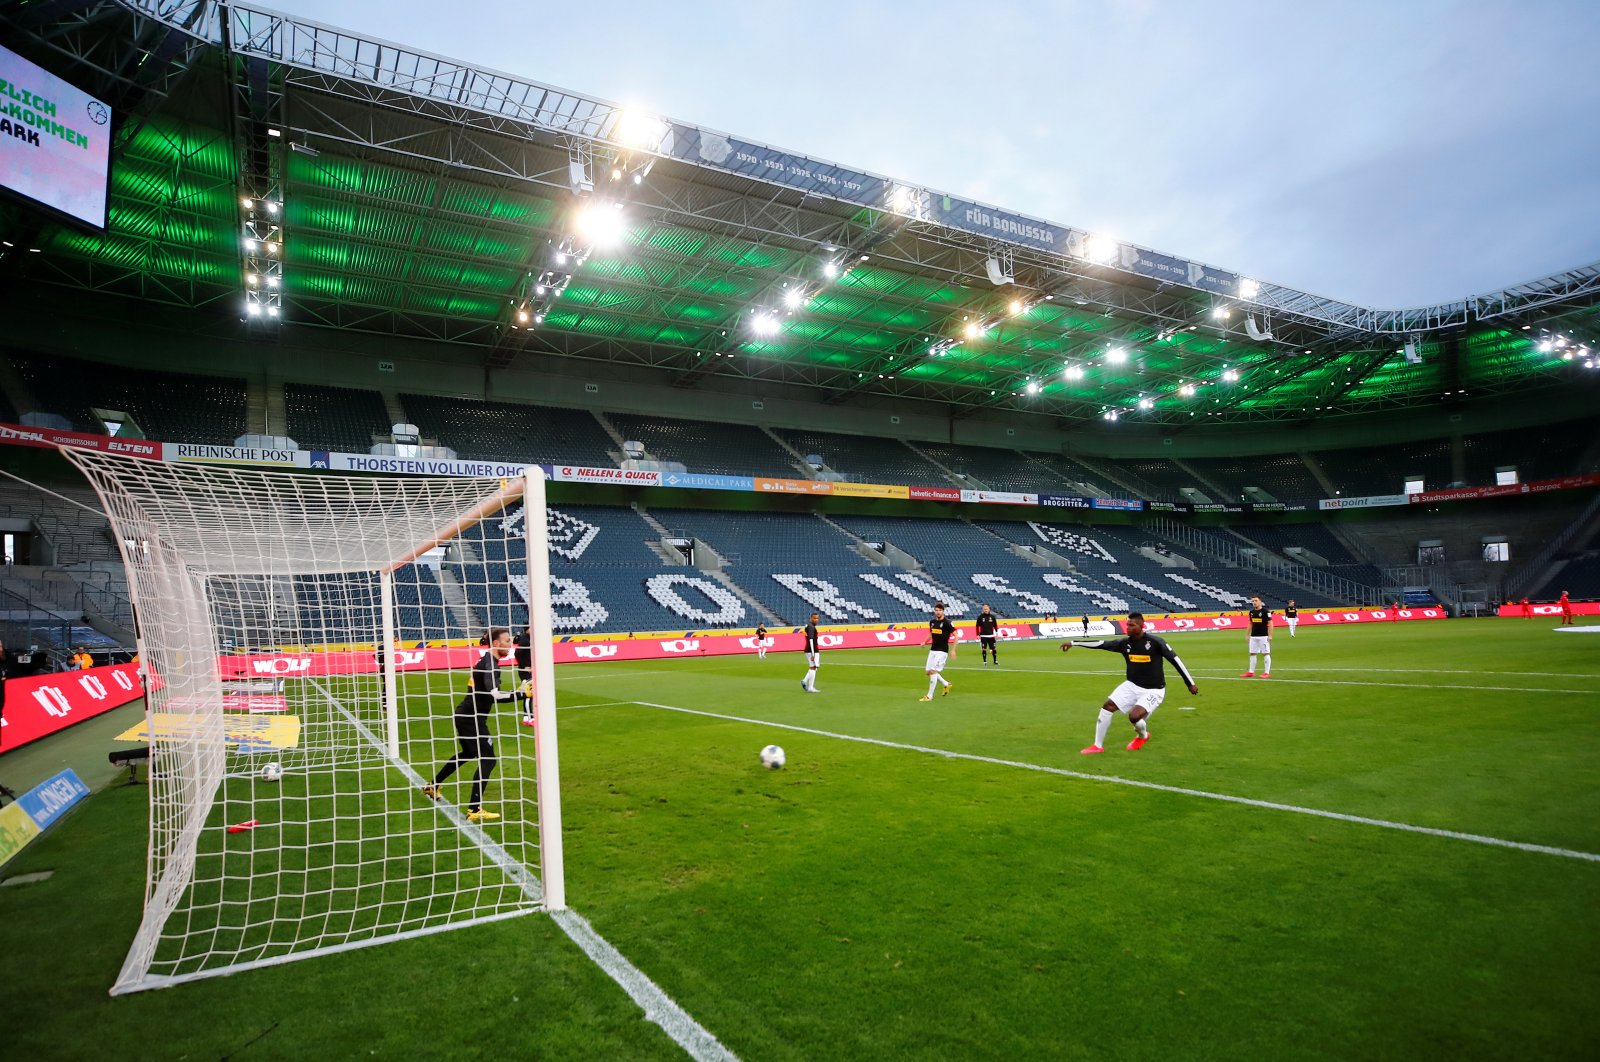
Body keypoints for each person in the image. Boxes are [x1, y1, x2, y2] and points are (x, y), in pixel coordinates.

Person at [420, 628, 529, 823]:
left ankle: (432, 785)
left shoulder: (488, 661)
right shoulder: (490, 665)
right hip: (471, 718)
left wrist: (518, 691)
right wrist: (521, 694)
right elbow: (495, 695)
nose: (510, 644)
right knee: (488, 760)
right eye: (506, 641)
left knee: (469, 753)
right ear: (496, 644)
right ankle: (474, 809)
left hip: (466, 715)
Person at [1061, 611, 1198, 754]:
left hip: (1154, 689)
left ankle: (1143, 736)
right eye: (1127, 624)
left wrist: (1190, 683)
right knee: (1108, 706)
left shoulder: (1156, 642)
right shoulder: (1124, 643)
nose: (1128, 628)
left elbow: (1176, 661)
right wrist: (1073, 643)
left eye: (1131, 625)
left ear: (1141, 626)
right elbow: (1101, 644)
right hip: (1132, 685)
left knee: (1134, 717)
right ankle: (1097, 746)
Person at [920, 602, 957, 701]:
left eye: (940, 610)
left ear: (943, 611)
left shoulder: (947, 622)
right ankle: (946, 684)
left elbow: (956, 635)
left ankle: (929, 696)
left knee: (932, 671)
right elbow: (931, 633)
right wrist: (924, 641)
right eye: (936, 610)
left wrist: (953, 650)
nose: (938, 612)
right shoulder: (932, 622)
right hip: (933, 650)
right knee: (928, 671)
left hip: (942, 651)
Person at [1243, 594, 1272, 678]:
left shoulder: (1265, 611)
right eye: (1253, 601)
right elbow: (1251, 623)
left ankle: (1266, 672)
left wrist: (1270, 635)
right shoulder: (1251, 612)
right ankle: (1251, 672)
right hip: (1253, 636)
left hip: (1263, 636)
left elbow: (1270, 623)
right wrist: (1247, 634)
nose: (1254, 602)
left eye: (1256, 600)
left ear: (1260, 601)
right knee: (1252, 653)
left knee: (1266, 653)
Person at [514, 625, 535, 728]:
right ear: (528, 629)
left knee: (530, 693)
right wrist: (524, 666)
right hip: (525, 671)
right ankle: (530, 717)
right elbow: (517, 653)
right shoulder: (525, 640)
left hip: (529, 669)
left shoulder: (528, 639)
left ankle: (526, 717)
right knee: (528, 693)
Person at [800, 613, 821, 693]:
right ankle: (810, 687)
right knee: (813, 667)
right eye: (814, 618)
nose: (816, 620)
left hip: (809, 649)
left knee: (813, 667)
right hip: (812, 650)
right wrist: (813, 653)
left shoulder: (808, 626)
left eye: (817, 618)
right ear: (811, 618)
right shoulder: (811, 627)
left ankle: (805, 681)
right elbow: (811, 640)